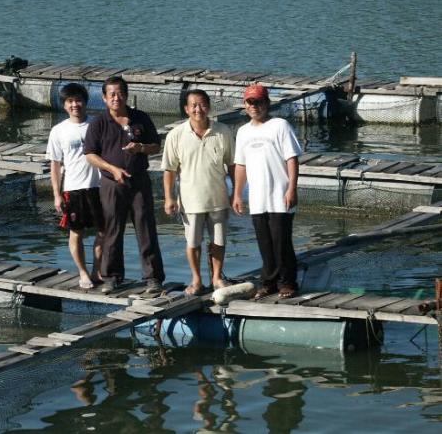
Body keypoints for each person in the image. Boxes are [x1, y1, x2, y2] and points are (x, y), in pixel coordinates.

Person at [84, 76, 165, 294]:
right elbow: (90, 154)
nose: (116, 98)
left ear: (127, 95)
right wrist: (112, 169)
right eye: (111, 94)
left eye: (120, 93)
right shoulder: (99, 123)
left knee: (146, 227)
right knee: (112, 229)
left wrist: (140, 148)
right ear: (104, 98)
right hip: (112, 183)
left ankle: (153, 278)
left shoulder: (140, 118)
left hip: (139, 181)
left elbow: (156, 146)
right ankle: (111, 277)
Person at [232, 84, 302, 299]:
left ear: (267, 104)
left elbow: (292, 159)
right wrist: (237, 194)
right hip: (257, 198)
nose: (254, 106)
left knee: (281, 242)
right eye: (250, 102)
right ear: (245, 105)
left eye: (258, 102)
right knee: (264, 243)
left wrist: (292, 188)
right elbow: (240, 165)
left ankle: (287, 282)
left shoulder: (280, 125)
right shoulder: (243, 132)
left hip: (280, 196)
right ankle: (269, 282)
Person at [162, 89, 235, 296]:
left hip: (218, 197)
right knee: (193, 242)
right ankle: (196, 280)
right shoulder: (176, 135)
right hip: (190, 200)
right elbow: (169, 170)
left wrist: (236, 193)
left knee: (219, 241)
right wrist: (169, 197)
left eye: (202, 104)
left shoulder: (223, 131)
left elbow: (232, 164)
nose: (198, 109)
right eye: (193, 105)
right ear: (186, 109)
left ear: (209, 107)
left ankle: (217, 278)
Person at [46, 82, 104, 289]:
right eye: (70, 101)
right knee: (76, 232)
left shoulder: (97, 124)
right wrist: (56, 194)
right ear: (64, 105)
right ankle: (83, 272)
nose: (75, 105)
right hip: (73, 187)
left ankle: (97, 270)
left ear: (85, 102)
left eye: (78, 100)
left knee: (104, 231)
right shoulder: (58, 131)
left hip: (99, 186)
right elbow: (55, 164)